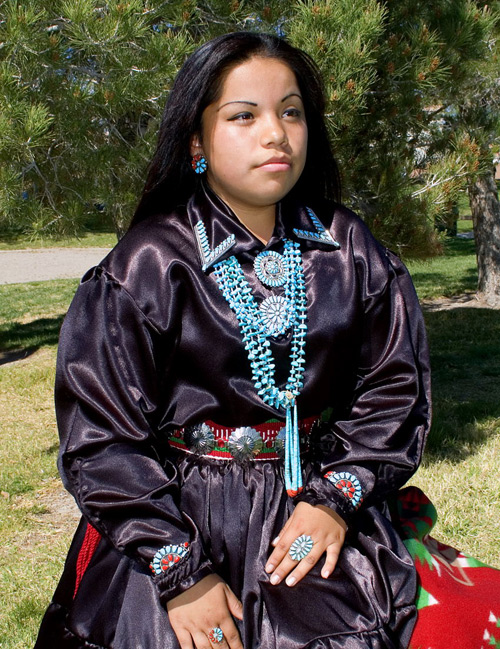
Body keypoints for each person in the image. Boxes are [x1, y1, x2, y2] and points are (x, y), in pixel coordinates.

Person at [34, 32, 431, 649]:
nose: (275, 133)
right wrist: (180, 574)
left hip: (312, 507)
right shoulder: (149, 265)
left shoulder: (351, 251)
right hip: (180, 515)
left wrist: (333, 501)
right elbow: (102, 436)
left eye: (291, 111)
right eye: (243, 115)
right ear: (196, 141)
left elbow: (393, 390)